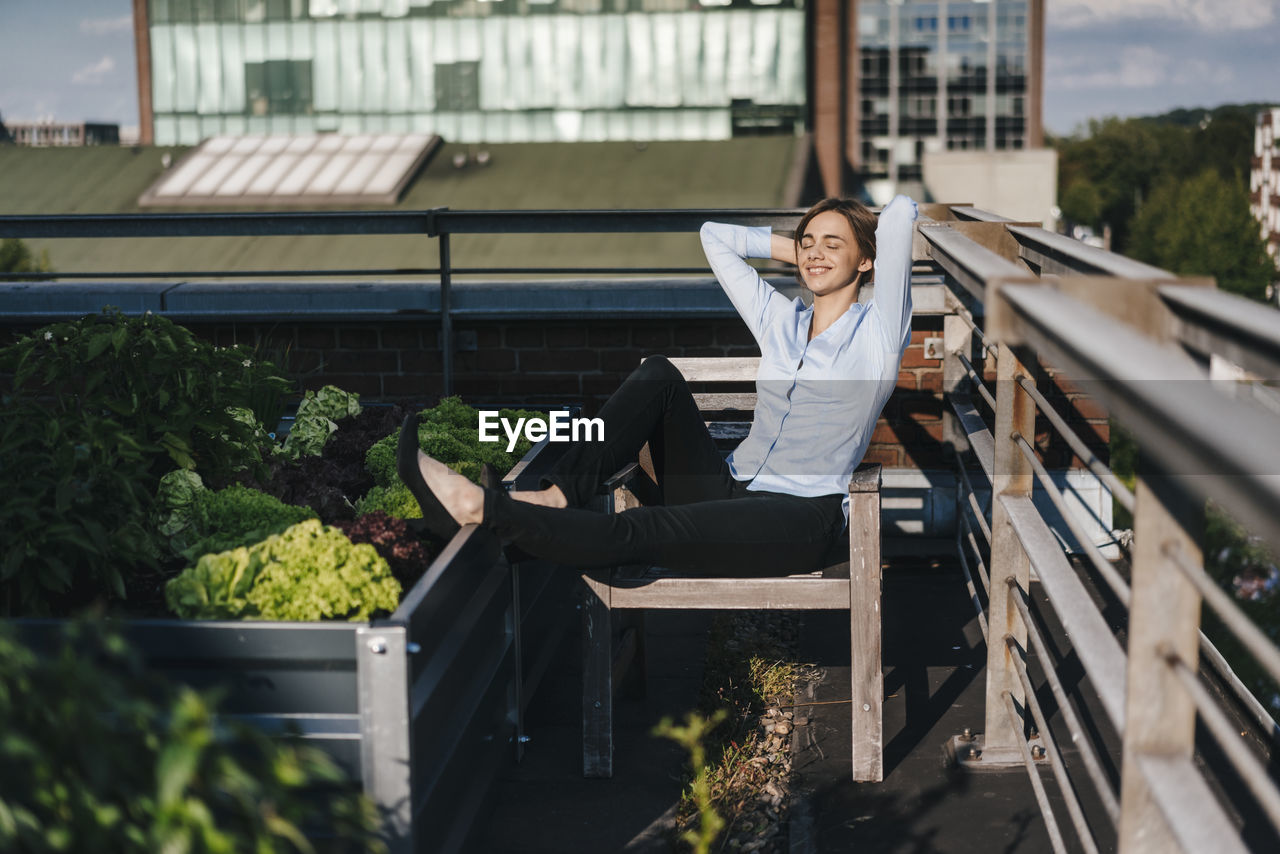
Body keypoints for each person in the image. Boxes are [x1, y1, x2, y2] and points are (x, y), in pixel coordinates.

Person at [398, 194, 918, 575]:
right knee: (659, 374)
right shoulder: (781, 320)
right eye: (808, 243)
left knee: (648, 530)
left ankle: (487, 511)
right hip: (729, 484)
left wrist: (837, 248)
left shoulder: (877, 336)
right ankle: (558, 496)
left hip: (801, 516)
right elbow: (714, 235)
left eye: (834, 245)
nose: (814, 253)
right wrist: (804, 251)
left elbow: (900, 214)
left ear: (868, 259)